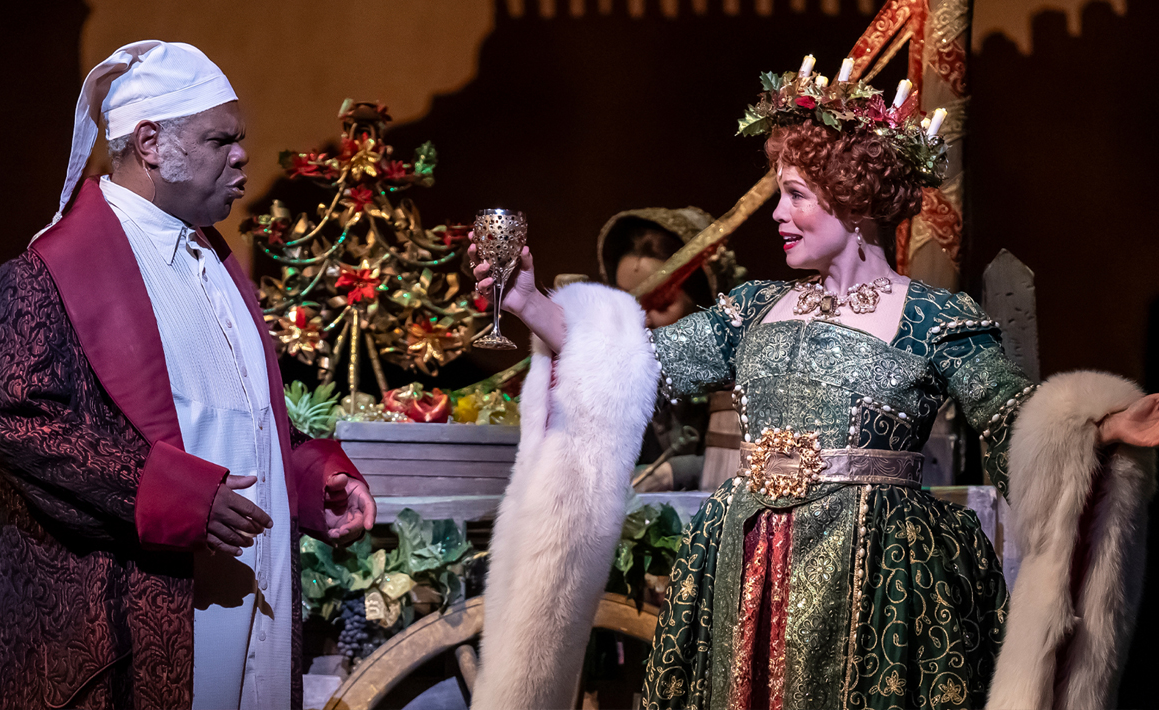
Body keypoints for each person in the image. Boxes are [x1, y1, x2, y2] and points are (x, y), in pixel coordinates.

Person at [471, 64, 1159, 710]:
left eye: (795, 195)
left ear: (852, 197)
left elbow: (1014, 421)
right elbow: (633, 361)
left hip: (879, 576)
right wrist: (528, 304)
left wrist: (1100, 430)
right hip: (743, 561)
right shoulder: (753, 307)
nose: (779, 213)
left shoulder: (934, 318)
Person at [0, 41, 375, 709]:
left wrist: (308, 479)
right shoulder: (48, 272)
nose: (243, 155)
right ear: (152, 142)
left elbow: (233, 423)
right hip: (131, 619)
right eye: (221, 139)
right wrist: (175, 497)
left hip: (242, 595)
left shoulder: (213, 262)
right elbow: (21, 425)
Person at [598, 207, 721, 491]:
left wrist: (670, 473)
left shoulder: (742, 370)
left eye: (662, 304)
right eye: (628, 303)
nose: (642, 321)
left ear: (703, 303)